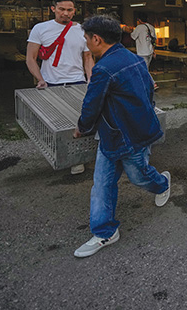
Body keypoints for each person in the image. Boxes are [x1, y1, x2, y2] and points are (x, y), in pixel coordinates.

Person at [72, 15, 170, 258]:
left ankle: (163, 183)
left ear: (97, 39)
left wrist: (82, 128)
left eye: (87, 39)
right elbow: (149, 92)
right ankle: (105, 232)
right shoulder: (135, 59)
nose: (86, 44)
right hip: (116, 133)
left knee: (139, 176)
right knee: (102, 184)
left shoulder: (103, 68)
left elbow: (91, 105)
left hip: (129, 135)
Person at [26, 0, 93, 174]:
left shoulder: (81, 30)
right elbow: (31, 58)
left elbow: (88, 57)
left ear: (74, 11)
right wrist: (40, 79)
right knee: (56, 123)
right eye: (61, 9)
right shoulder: (40, 29)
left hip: (77, 81)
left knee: (79, 121)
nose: (65, 13)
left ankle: (77, 159)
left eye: (69, 10)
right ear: (53, 9)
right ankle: (60, 155)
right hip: (51, 83)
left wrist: (90, 78)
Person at [129, 12, 158, 89]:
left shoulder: (139, 28)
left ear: (139, 20)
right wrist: (154, 51)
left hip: (142, 52)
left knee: (143, 69)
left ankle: (153, 83)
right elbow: (154, 40)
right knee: (145, 68)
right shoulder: (151, 27)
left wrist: (130, 30)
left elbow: (133, 36)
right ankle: (145, 85)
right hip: (150, 52)